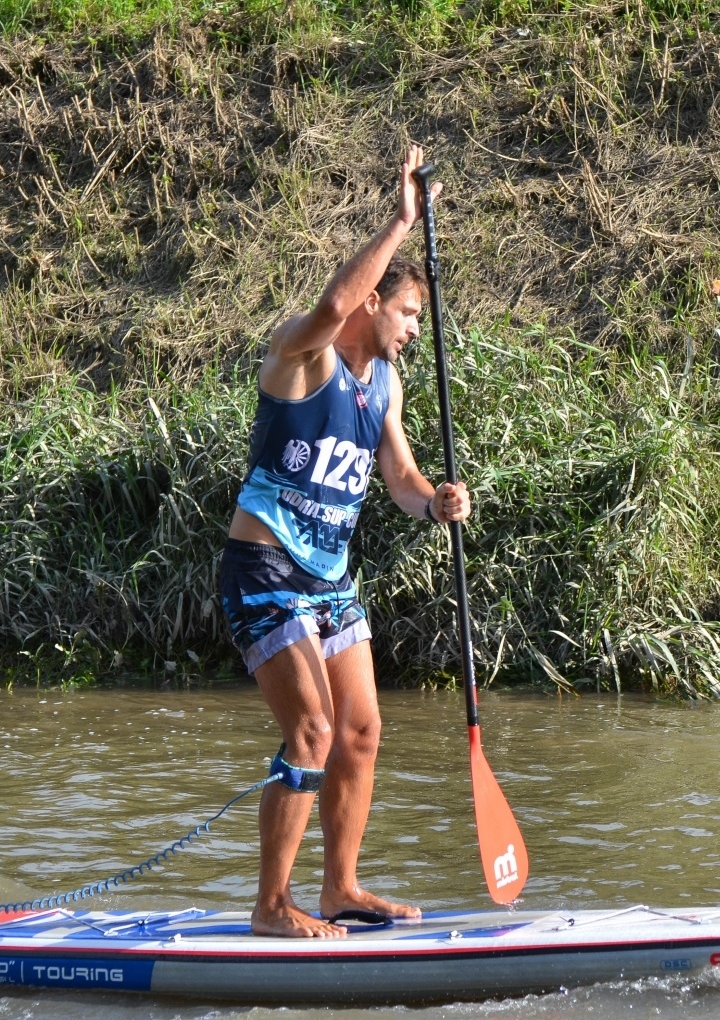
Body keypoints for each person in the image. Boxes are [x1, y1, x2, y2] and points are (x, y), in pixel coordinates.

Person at [219, 145, 470, 939]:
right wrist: (401, 222)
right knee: (312, 733)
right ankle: (269, 906)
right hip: (262, 568)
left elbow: (398, 479)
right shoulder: (302, 356)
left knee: (361, 730)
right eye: (406, 314)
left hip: (329, 579)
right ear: (373, 303)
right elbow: (331, 304)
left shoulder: (386, 385)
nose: (411, 330)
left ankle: (339, 890)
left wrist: (435, 502)